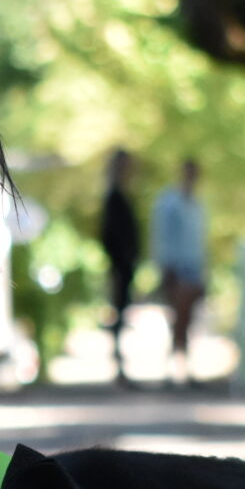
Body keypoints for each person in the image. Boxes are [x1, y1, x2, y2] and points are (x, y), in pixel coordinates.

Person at [150, 157, 208, 385]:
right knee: (176, 317)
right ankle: (171, 369)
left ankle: (184, 368)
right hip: (175, 267)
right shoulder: (169, 203)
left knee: (189, 319)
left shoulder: (197, 205)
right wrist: (165, 266)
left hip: (193, 267)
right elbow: (162, 236)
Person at [96, 148, 142, 385]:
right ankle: (118, 365)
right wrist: (120, 258)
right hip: (120, 264)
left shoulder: (121, 196)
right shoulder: (114, 197)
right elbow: (109, 235)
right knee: (119, 311)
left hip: (125, 264)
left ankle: (120, 364)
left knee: (123, 311)